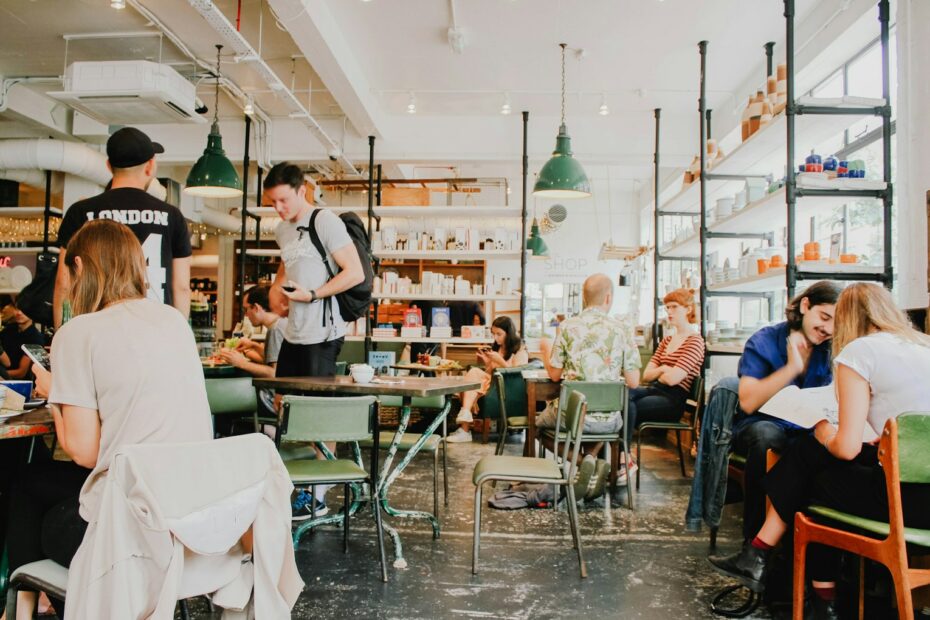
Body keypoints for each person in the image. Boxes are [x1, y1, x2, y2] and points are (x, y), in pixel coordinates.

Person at [5, 219, 213, 618]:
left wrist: (54, 396)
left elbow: (84, 452)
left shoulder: (79, 332)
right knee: (38, 483)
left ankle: (26, 605)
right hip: (189, 519)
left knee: (31, 488)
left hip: (130, 535)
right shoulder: (173, 321)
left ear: (80, 267)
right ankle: (39, 602)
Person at [710, 283, 930, 619]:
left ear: (847, 320)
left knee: (815, 471)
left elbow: (846, 448)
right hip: (923, 498)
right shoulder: (924, 345)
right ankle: (775, 566)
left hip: (900, 503)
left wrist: (826, 432)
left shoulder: (860, 352)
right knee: (814, 459)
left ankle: (779, 569)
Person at [53, 127, 192, 327]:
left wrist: (61, 335)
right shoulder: (172, 216)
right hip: (155, 327)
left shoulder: (81, 212)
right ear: (150, 166)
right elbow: (181, 287)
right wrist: (179, 336)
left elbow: (64, 283)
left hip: (98, 328)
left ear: (109, 166)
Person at [537, 273, 642, 490]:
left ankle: (583, 463)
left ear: (583, 298)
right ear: (608, 298)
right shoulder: (622, 329)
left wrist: (546, 350)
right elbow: (633, 381)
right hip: (610, 421)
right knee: (603, 422)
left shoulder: (566, 326)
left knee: (537, 426)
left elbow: (555, 375)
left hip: (573, 417)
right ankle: (591, 460)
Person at [265, 162, 364, 378]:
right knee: (282, 401)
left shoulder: (324, 221)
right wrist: (276, 287)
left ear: (301, 191)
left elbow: (355, 272)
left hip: (323, 334)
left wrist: (312, 295)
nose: (278, 208)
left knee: (313, 406)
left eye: (284, 200)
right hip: (292, 334)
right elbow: (289, 260)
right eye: (273, 202)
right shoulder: (282, 230)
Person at [628, 288, 705, 461]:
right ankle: (621, 458)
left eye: (674, 307)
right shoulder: (667, 340)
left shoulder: (695, 341)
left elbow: (673, 380)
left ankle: (621, 457)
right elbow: (646, 375)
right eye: (667, 308)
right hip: (654, 390)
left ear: (688, 309)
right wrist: (663, 369)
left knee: (625, 405)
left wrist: (663, 371)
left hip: (673, 400)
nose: (669, 312)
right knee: (621, 395)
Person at [446, 316, 529, 443]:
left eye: (499, 334)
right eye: (493, 334)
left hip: (506, 386)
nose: (495, 338)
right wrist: (487, 361)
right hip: (493, 382)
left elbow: (516, 374)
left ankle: (465, 428)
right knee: (471, 380)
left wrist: (499, 360)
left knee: (471, 380)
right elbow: (491, 371)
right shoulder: (498, 347)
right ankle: (465, 422)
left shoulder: (520, 349)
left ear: (509, 332)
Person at [218, 284, 286, 418]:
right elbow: (279, 359)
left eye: (246, 309)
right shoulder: (282, 323)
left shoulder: (275, 330)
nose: (246, 315)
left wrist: (242, 363)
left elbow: (275, 374)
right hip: (286, 397)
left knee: (224, 396)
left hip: (273, 400)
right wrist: (253, 345)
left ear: (256, 307)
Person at [0, 300, 45, 379]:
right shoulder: (7, 330)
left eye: (24, 310)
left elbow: (21, 372)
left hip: (19, 384)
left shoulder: (35, 338)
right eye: (17, 309)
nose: (19, 313)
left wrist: (2, 374)